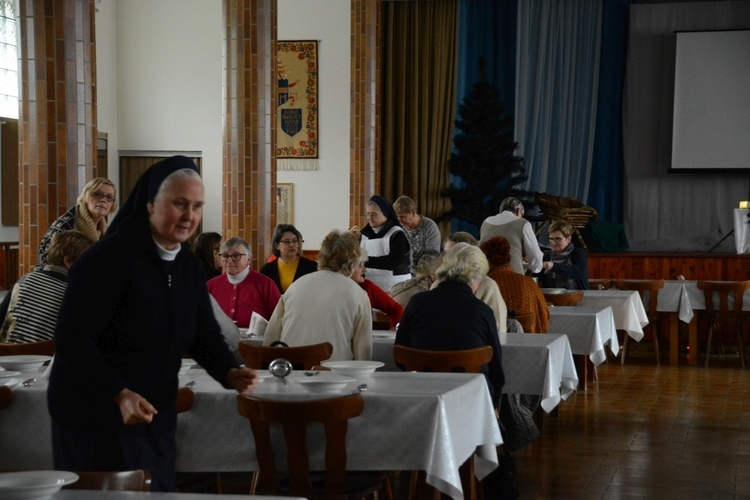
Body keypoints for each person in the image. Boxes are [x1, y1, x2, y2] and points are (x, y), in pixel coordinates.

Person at [48, 156, 258, 492]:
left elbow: (203, 332)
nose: (189, 215)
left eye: (197, 205)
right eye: (179, 203)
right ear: (149, 204)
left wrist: (229, 370)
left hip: (153, 410)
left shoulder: (186, 264)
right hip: (95, 414)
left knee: (155, 491)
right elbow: (72, 340)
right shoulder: (105, 261)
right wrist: (118, 394)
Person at [395, 242, 504, 408]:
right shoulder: (483, 312)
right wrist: (492, 409)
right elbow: (496, 370)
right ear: (476, 277)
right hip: (471, 401)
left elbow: (400, 355)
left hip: (421, 397)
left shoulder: (417, 303)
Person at [263, 230, 372, 361]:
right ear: (351, 262)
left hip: (291, 373)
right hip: (336, 376)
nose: (363, 269)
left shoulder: (296, 286)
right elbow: (363, 356)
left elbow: (270, 340)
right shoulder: (358, 294)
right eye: (360, 263)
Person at [0, 231, 94, 343]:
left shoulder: (24, 280)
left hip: (5, 356)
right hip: (43, 358)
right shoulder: (74, 293)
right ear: (68, 261)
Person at [36, 177, 116, 270]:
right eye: (97, 194)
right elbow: (45, 261)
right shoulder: (66, 224)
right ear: (86, 196)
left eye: (109, 197)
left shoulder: (106, 228)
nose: (103, 200)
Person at [435, 232, 508, 333]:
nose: (447, 259)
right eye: (446, 254)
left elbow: (498, 330)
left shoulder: (488, 285)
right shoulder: (437, 284)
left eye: (455, 254)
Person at [481, 236, 549, 333]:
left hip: (496, 342)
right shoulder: (529, 282)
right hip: (530, 341)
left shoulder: (486, 284)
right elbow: (544, 313)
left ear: (486, 260)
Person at [207, 237, 280, 328]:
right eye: (225, 256)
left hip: (256, 341)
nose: (229, 261)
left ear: (248, 259)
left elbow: (279, 320)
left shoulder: (266, 285)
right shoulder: (211, 286)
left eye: (236, 256)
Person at [350, 195, 410, 292]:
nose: (369, 218)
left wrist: (364, 261)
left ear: (385, 214)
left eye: (373, 214)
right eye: (367, 214)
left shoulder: (396, 233)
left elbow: (395, 262)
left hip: (395, 286)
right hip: (370, 286)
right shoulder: (364, 234)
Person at [479, 197, 543, 275]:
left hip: (487, 276)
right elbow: (535, 256)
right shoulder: (522, 223)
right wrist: (536, 268)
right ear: (519, 211)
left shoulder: (486, 222)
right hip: (513, 277)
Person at [259, 224, 318, 293]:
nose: (292, 245)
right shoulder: (267, 270)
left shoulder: (311, 267)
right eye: (287, 241)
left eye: (295, 241)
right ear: (277, 245)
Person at [350, 257, 403, 329]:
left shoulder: (366, 287)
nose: (364, 270)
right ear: (346, 268)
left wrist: (394, 330)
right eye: (360, 265)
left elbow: (396, 309)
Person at [392, 195, 441, 267]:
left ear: (413, 212)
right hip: (404, 272)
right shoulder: (399, 227)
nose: (399, 220)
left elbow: (432, 255)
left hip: (424, 271)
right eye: (397, 217)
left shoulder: (429, 227)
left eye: (403, 216)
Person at [540, 220, 590, 290]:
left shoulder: (578, 253)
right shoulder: (547, 256)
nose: (553, 242)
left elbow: (580, 273)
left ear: (568, 239)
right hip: (551, 298)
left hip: (576, 297)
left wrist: (553, 266)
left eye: (558, 239)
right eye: (551, 239)